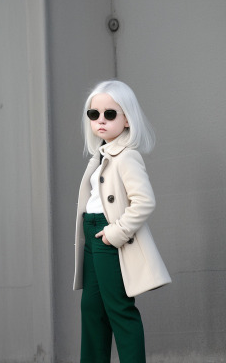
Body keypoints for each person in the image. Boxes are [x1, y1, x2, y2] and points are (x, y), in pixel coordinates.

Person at [73, 80, 171, 363]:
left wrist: (115, 233)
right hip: (92, 233)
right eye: (94, 114)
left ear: (127, 118)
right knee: (91, 308)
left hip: (108, 235)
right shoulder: (101, 155)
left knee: (119, 309)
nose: (100, 121)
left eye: (110, 114)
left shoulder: (127, 157)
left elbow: (145, 201)